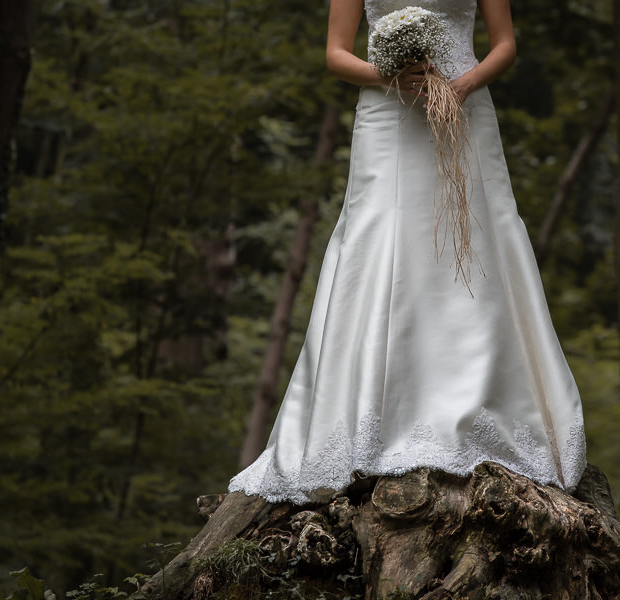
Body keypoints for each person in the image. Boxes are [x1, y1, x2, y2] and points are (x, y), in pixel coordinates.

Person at [229, 0, 586, 504]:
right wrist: (388, 74)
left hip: (466, 105)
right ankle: (371, 423)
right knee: (380, 235)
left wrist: (462, 84)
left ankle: (487, 408)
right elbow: (335, 54)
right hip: (387, 112)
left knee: (480, 237)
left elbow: (505, 45)